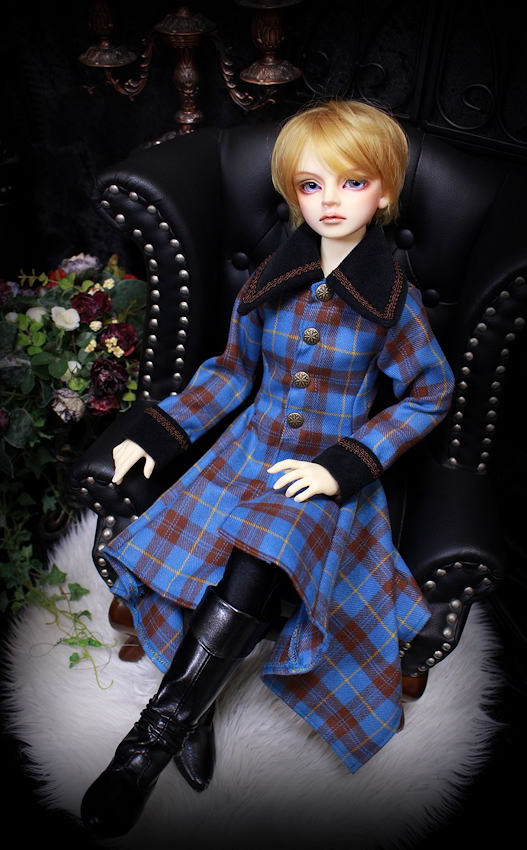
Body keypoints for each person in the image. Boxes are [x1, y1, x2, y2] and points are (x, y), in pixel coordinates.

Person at [81, 99, 455, 838]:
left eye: (352, 183)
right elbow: (230, 375)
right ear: (291, 193)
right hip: (246, 453)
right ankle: (189, 713)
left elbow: (430, 393)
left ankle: (145, 746)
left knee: (266, 546)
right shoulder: (269, 283)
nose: (330, 201)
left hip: (322, 476)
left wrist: (346, 464)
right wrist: (156, 432)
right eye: (312, 185)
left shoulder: (392, 303)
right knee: (211, 553)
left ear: (384, 192)